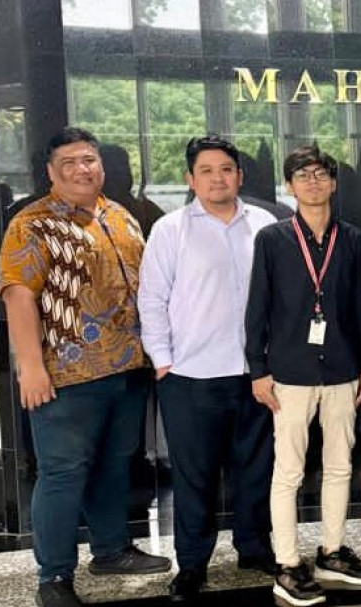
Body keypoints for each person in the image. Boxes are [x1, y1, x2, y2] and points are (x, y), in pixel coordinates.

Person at [0, 127, 171, 607]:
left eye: (88, 160)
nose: (82, 169)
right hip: (65, 375)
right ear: (51, 172)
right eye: (69, 162)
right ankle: (53, 576)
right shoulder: (32, 224)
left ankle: (111, 550)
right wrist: (31, 367)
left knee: (115, 465)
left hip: (127, 367)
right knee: (63, 473)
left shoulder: (120, 215)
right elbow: (18, 297)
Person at [137, 135, 278, 600]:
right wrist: (162, 361)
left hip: (255, 373)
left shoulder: (264, 224)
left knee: (256, 468)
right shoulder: (170, 229)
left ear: (240, 175)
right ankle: (193, 563)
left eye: (226, 169)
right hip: (190, 375)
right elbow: (152, 299)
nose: (218, 178)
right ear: (190, 179)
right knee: (194, 476)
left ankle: (254, 547)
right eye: (207, 170)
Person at [245, 145, 361, 607]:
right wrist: (258, 369)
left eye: (321, 174)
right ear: (290, 186)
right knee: (289, 471)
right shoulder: (273, 239)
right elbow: (257, 309)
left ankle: (332, 552)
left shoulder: (353, 238)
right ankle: (287, 564)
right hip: (289, 371)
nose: (313, 181)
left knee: (341, 465)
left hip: (342, 368)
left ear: (334, 183)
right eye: (303, 175)